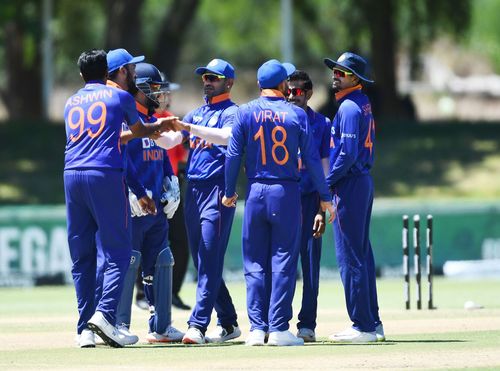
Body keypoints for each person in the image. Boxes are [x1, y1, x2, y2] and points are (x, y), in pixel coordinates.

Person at [64, 49, 174, 348]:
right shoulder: (121, 98)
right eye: (131, 69)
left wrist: (139, 191)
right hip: (104, 174)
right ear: (118, 72)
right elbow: (139, 132)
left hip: (71, 174)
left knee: (82, 256)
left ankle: (84, 329)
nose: (134, 75)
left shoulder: (70, 101)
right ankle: (105, 316)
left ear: (81, 74)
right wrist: (164, 125)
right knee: (119, 253)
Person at [222, 60, 335, 346]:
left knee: (255, 262)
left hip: (256, 191)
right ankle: (279, 328)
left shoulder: (245, 113)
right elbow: (311, 160)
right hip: (286, 191)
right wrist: (325, 197)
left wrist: (228, 191)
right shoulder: (296, 114)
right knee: (283, 259)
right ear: (284, 85)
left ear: (260, 85)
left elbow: (233, 156)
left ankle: (257, 329)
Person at [155, 58, 240, 345]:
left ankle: (198, 324)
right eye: (205, 77)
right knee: (204, 259)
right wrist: (145, 129)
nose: (207, 81)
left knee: (209, 256)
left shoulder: (233, 112)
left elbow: (227, 138)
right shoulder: (195, 112)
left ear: (228, 83)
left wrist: (189, 129)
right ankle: (228, 322)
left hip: (218, 191)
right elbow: (170, 142)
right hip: (193, 189)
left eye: (213, 78)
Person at [117, 62, 185, 343]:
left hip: (156, 206)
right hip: (134, 206)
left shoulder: (154, 121)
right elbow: (120, 158)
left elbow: (162, 158)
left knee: (162, 260)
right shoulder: (128, 119)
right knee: (128, 261)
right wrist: (131, 191)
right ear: (142, 89)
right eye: (155, 89)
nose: (159, 95)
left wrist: (172, 183)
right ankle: (118, 324)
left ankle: (161, 326)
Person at [323, 52, 384, 343]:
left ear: (355, 78)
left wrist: (327, 183)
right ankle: (373, 320)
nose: (336, 75)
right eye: (335, 70)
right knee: (361, 253)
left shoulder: (348, 107)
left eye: (342, 72)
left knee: (350, 256)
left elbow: (346, 155)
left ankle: (363, 325)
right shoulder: (361, 102)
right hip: (361, 181)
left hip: (350, 184)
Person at [287, 70, 331, 343]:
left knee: (311, 267)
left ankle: (308, 324)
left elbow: (324, 170)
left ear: (310, 92)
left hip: (310, 199)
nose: (293, 96)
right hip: (285, 200)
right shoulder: (280, 119)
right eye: (289, 91)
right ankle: (278, 320)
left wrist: (321, 209)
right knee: (282, 265)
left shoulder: (322, 124)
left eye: (299, 91)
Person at [153, 74, 191, 311]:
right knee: (147, 240)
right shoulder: (146, 119)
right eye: (163, 92)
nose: (167, 97)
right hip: (150, 185)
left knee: (180, 239)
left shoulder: (170, 119)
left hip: (171, 186)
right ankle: (142, 292)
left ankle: (172, 292)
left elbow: (178, 158)